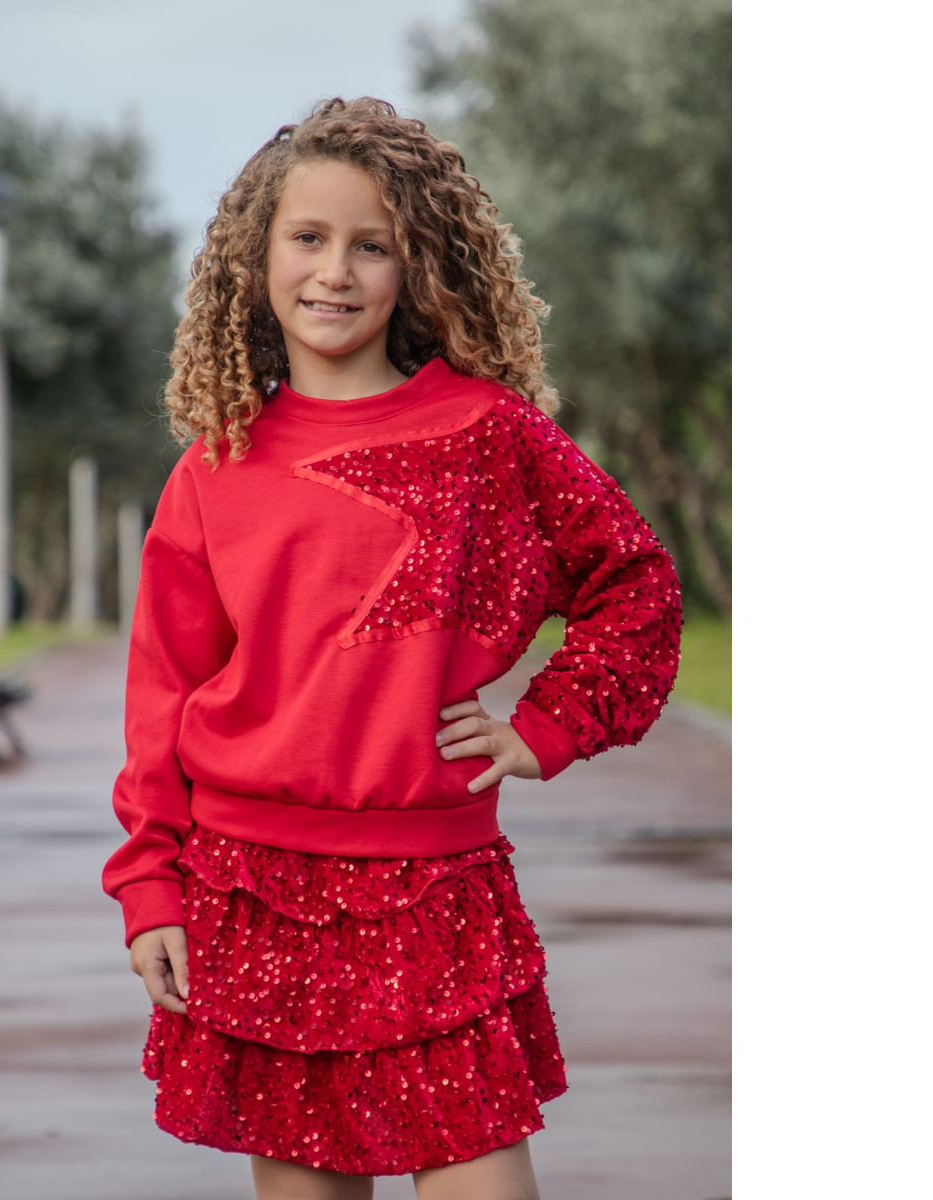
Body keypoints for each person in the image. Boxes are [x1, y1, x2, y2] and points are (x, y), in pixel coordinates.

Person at [102, 97, 682, 1200]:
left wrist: (551, 725)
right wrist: (149, 891)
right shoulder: (213, 467)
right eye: (308, 238)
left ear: (417, 268)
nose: (336, 271)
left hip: (437, 888)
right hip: (251, 894)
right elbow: (161, 698)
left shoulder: (488, 433)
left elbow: (635, 580)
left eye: (372, 246)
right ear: (256, 259)